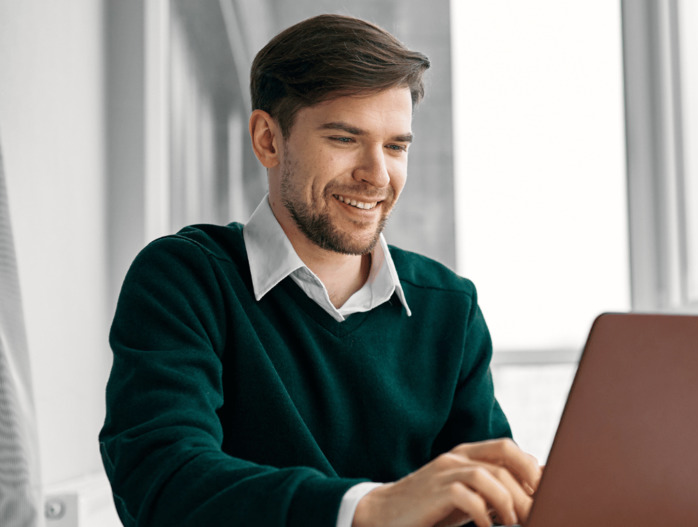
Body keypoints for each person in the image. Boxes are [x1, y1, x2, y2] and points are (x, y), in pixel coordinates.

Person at [99, 14, 540, 527]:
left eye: (396, 146)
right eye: (345, 139)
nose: (377, 175)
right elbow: (161, 481)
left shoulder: (450, 307)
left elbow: (488, 501)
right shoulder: (185, 280)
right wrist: (367, 509)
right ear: (268, 139)